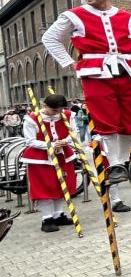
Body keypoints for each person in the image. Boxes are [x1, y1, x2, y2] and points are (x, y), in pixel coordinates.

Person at [41, 0, 131, 185]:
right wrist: (70, 62)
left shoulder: (128, 17)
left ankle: (125, 161)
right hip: (95, 72)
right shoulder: (74, 16)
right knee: (106, 118)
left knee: (130, 118)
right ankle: (115, 163)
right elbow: (50, 38)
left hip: (125, 71)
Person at [21, 93, 78, 232]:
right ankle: (47, 218)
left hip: (62, 155)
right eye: (54, 110)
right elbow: (30, 141)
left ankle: (58, 215)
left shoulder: (67, 115)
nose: (57, 113)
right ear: (45, 106)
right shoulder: (32, 119)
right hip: (40, 158)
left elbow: (74, 133)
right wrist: (50, 145)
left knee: (61, 184)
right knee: (45, 187)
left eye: (60, 110)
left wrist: (65, 141)